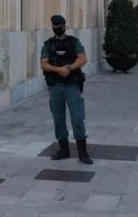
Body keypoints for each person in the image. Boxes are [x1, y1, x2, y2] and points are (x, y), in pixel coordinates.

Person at [41, 14, 92, 165]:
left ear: (65, 26)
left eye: (61, 25)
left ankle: (83, 152)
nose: (59, 28)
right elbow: (43, 64)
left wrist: (69, 68)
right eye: (56, 26)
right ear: (52, 27)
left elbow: (83, 58)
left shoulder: (74, 42)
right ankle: (63, 150)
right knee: (58, 119)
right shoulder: (48, 45)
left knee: (77, 118)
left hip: (72, 85)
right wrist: (58, 70)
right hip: (55, 86)